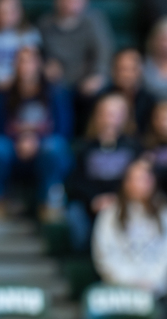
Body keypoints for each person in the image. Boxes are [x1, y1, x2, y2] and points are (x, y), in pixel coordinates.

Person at [0, 45, 73, 221]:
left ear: (40, 64)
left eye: (30, 61)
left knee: (54, 147)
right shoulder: (4, 92)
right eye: (21, 61)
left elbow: (64, 130)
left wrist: (35, 140)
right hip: (14, 148)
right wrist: (20, 140)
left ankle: (48, 203)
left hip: (43, 148)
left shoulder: (55, 91)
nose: (25, 66)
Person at [92, 157, 167, 298]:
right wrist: (126, 282)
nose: (138, 184)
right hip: (118, 291)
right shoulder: (109, 214)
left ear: (153, 181)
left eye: (143, 179)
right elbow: (103, 254)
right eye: (133, 179)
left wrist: (152, 282)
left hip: (158, 291)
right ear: (125, 182)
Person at [65, 91, 139, 248]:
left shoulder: (134, 148)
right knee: (74, 214)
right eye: (107, 113)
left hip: (125, 204)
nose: (111, 118)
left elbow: (138, 181)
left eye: (117, 113)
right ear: (97, 115)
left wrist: (117, 199)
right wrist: (94, 199)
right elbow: (75, 181)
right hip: (90, 204)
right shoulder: (83, 147)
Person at [38, 0, 113, 102]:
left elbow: (104, 52)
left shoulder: (94, 21)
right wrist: (47, 64)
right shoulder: (45, 24)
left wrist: (98, 75)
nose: (71, 3)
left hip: (88, 77)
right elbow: (40, 54)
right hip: (59, 82)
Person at [101, 46, 154, 136]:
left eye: (132, 69)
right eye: (122, 69)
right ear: (113, 70)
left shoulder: (150, 102)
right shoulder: (101, 99)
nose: (127, 75)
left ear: (141, 70)